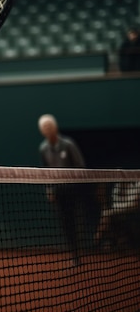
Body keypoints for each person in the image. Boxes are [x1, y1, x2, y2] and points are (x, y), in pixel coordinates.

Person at [38, 113, 97, 266]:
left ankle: (85, 251)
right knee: (66, 224)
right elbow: (46, 172)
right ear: (41, 131)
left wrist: (76, 183)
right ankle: (74, 254)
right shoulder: (43, 149)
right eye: (44, 127)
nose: (47, 129)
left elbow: (80, 165)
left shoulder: (68, 144)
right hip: (59, 192)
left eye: (49, 126)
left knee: (78, 221)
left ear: (55, 127)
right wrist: (50, 189)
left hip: (74, 190)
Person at [94, 181, 140, 250]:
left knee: (107, 214)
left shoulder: (137, 184)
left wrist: (112, 211)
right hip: (119, 213)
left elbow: (134, 204)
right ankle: (106, 241)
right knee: (106, 215)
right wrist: (114, 211)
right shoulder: (118, 185)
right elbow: (114, 201)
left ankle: (99, 240)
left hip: (133, 214)